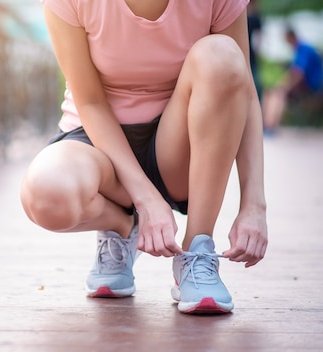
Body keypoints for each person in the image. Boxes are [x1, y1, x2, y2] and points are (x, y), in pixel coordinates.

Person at [20, 0, 268, 314]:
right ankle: (123, 225)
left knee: (223, 55)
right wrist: (145, 199)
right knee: (44, 193)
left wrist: (254, 204)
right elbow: (91, 102)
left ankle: (197, 252)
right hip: (98, 142)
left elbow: (241, 90)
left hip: (176, 146)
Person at [262, 27, 323, 132]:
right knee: (270, 92)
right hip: (307, 83)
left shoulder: (303, 49)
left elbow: (298, 73)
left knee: (279, 93)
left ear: (291, 37)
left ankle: (270, 126)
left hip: (312, 85)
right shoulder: (301, 49)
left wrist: (284, 85)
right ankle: (267, 125)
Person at [247, 0, 263, 99]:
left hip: (246, 54)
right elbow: (258, 39)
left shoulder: (248, 17)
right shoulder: (255, 18)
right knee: (255, 83)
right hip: (251, 54)